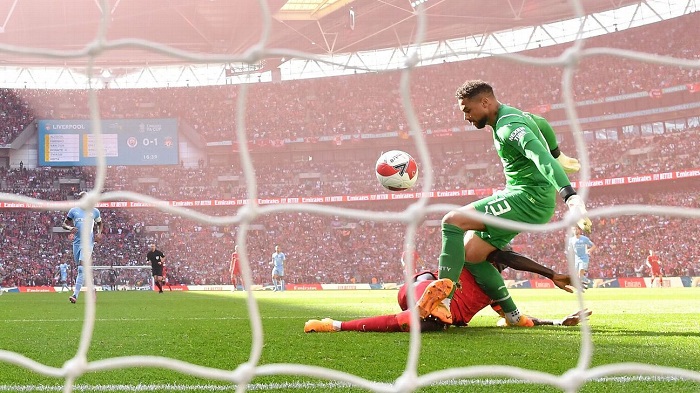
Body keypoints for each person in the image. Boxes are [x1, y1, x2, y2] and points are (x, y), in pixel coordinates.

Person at [423, 80, 592, 328]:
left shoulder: (508, 127)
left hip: (528, 198)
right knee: (472, 255)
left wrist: (571, 197)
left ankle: (443, 303)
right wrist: (560, 154)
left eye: (467, 110)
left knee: (452, 221)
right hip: (528, 197)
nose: (466, 118)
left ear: (485, 102)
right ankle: (513, 316)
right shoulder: (514, 115)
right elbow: (542, 123)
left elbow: (538, 155)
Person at [305, 247, 591, 333]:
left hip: (418, 292)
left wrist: (558, 322)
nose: (503, 264)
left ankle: (433, 304)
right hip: (422, 290)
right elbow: (510, 259)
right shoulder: (472, 258)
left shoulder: (494, 291)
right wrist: (550, 273)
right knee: (426, 315)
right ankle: (336, 325)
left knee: (429, 320)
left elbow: (518, 320)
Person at [63, 191, 103, 304]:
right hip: (76, 244)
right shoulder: (74, 211)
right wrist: (69, 228)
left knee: (81, 269)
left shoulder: (94, 211)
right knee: (82, 270)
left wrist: (99, 233)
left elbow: (100, 224)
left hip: (88, 244)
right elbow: (64, 224)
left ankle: (75, 295)